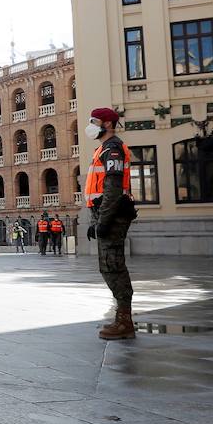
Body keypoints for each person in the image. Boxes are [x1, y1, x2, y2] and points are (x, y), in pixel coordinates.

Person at [84, 107, 138, 339]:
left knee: (113, 266)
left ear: (106, 123)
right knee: (109, 265)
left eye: (94, 121)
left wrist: (103, 220)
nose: (90, 125)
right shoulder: (104, 148)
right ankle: (122, 318)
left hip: (113, 215)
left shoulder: (112, 148)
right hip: (107, 213)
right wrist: (96, 219)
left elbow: (113, 189)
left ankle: (125, 321)